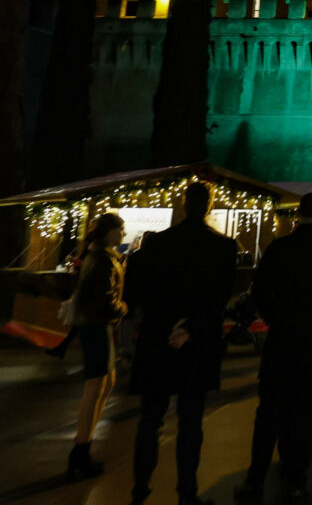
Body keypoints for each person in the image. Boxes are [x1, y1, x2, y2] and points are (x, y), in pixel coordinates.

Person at [234, 191, 312, 503]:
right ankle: (297, 480)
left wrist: (276, 317)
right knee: (306, 414)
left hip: (282, 341)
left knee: (269, 414)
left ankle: (255, 479)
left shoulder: (280, 247)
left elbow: (260, 291)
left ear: (297, 214)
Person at [125, 182, 237, 505]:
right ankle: (187, 492)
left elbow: (136, 293)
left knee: (150, 419)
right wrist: (190, 327)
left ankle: (139, 490)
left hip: (158, 338)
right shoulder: (222, 247)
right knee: (191, 420)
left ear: (184, 204)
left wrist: (165, 321)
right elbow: (219, 299)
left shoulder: (157, 244)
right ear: (209, 205)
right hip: (197, 341)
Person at [66, 212, 128, 480]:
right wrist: (123, 307)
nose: (123, 234)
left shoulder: (102, 256)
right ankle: (81, 449)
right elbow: (106, 298)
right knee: (96, 386)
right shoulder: (101, 259)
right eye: (120, 230)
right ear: (108, 232)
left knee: (105, 383)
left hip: (99, 325)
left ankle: (83, 447)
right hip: (97, 326)